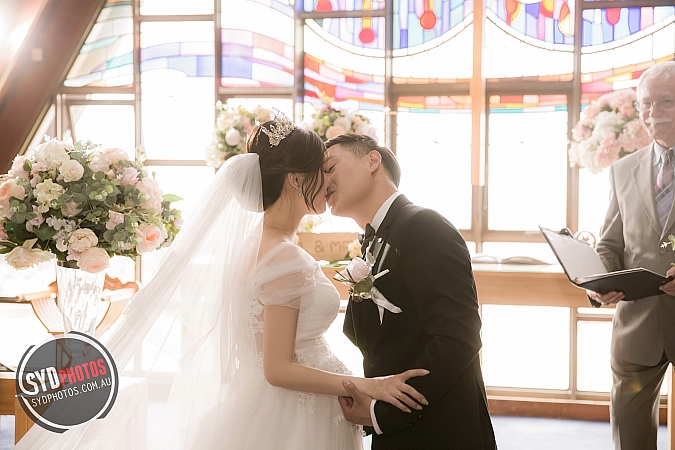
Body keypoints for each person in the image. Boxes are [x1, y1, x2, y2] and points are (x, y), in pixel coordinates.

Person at [14, 112, 429, 449]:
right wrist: (365, 384)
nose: (330, 181)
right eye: (322, 170)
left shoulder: (256, 245)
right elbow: (277, 368)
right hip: (291, 415)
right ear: (296, 179)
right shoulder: (283, 256)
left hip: (279, 407)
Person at [323, 134, 497, 449]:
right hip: (402, 431)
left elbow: (458, 338)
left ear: (372, 161)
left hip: (442, 431)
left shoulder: (424, 226)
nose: (323, 182)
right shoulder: (374, 240)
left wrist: (381, 413)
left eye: (330, 167)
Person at [586, 61, 675, 450]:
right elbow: (610, 245)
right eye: (645, 104)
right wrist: (599, 281)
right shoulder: (622, 170)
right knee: (630, 441)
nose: (653, 113)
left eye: (665, 101)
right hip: (636, 330)